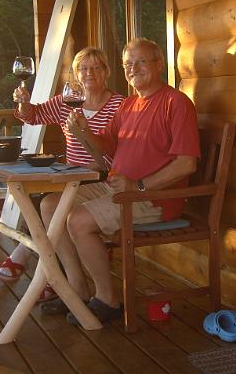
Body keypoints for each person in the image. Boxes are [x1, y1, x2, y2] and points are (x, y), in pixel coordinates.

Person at [46, 37, 200, 324]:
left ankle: (107, 300)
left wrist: (138, 186)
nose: (134, 68)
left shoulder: (176, 103)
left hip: (153, 198)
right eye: (128, 64)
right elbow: (105, 146)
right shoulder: (129, 105)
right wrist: (83, 131)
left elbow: (186, 164)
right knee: (50, 205)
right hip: (119, 188)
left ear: (159, 64)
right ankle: (77, 288)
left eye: (141, 61)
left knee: (78, 221)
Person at [0, 47, 125, 304]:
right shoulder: (67, 101)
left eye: (96, 68)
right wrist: (23, 102)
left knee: (46, 205)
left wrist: (88, 145)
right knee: (45, 203)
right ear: (76, 74)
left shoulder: (119, 105)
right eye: (83, 68)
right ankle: (72, 282)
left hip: (102, 176)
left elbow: (119, 150)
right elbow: (33, 115)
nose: (89, 73)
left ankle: (32, 260)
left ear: (106, 72)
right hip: (72, 177)